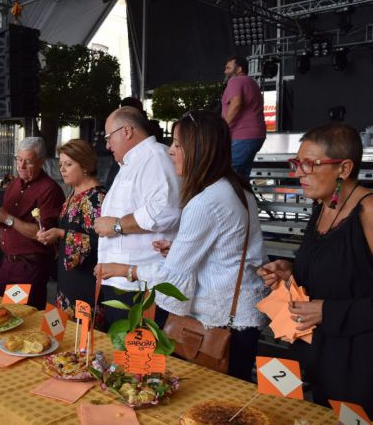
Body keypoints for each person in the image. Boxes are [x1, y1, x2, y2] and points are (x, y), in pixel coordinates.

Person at [96, 110, 267, 381]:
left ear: (198, 149)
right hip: (238, 316)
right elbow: (221, 251)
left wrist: (124, 270)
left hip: (220, 322)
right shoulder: (236, 189)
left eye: (177, 144)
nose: (171, 151)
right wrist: (176, 249)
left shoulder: (205, 202)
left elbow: (172, 278)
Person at [257, 123, 373, 414]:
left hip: (360, 365)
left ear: (344, 168)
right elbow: (340, 272)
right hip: (321, 355)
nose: (298, 174)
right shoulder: (323, 206)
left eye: (310, 164)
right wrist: (290, 273)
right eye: (297, 163)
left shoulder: (369, 212)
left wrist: (329, 311)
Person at [93, 106, 181, 330]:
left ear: (127, 131)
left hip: (141, 284)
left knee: (139, 357)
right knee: (121, 355)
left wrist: (116, 225)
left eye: (108, 137)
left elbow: (165, 209)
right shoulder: (131, 162)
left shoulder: (155, 156)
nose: (107, 144)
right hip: (122, 281)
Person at [0, 137, 65, 310]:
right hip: (7, 262)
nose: (20, 166)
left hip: (30, 266)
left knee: (22, 316)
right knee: (2, 313)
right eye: (18, 159)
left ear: (41, 162)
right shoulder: (14, 184)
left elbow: (43, 233)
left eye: (27, 162)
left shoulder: (49, 190)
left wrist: (7, 218)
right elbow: (6, 221)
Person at [36, 140, 106, 325]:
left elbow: (98, 242)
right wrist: (52, 236)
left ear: (85, 165)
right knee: (64, 339)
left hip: (86, 282)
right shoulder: (73, 195)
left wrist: (60, 234)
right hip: (67, 281)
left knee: (83, 344)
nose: (62, 170)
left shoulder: (96, 198)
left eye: (68, 164)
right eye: (60, 165)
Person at [221, 56, 266, 181]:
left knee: (228, 175)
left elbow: (236, 104)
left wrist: (222, 126)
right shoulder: (252, 83)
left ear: (239, 69)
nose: (225, 71)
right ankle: (246, 200)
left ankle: (231, 200)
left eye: (228, 68)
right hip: (254, 136)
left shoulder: (236, 81)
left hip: (242, 136)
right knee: (242, 177)